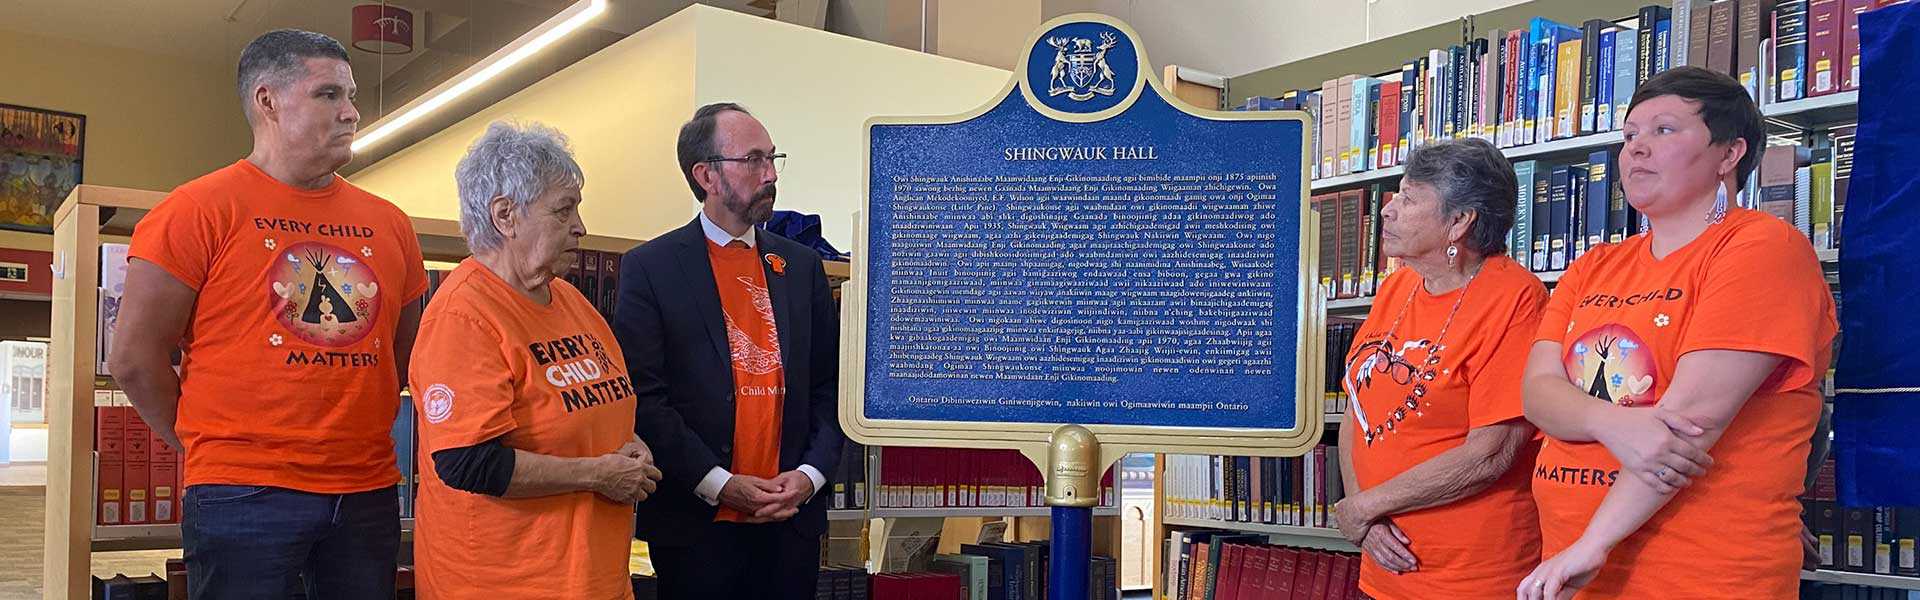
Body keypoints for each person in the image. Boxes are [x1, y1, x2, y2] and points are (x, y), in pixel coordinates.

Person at [109, 29, 426, 598]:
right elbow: (135, 358)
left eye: (351, 95)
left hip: (367, 488)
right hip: (242, 492)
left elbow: (398, 352)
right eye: (329, 95)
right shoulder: (196, 210)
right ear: (267, 101)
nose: (352, 112)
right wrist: (207, 443)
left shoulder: (391, 223)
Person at [1517, 66, 1837, 599]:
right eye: (1630, 135)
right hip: (1574, 566)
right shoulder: (1593, 265)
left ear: (1729, 154)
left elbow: (1690, 426)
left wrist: (1594, 543)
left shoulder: (1761, 249)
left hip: (1696, 572)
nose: (1636, 149)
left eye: (1663, 130)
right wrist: (1614, 424)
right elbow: (1537, 393)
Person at [408, 121, 662, 600]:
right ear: (506, 215)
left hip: (593, 580)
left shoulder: (571, 301)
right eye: (563, 210)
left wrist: (631, 444)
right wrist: (600, 473)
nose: (581, 227)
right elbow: (470, 463)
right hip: (503, 583)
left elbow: (588, 406)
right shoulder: (464, 316)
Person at [613, 102, 845, 600]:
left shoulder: (802, 267)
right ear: (707, 176)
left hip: (792, 524)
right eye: (754, 160)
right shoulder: (650, 269)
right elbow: (646, 400)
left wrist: (809, 476)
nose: (770, 174)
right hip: (697, 529)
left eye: (773, 158)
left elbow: (830, 388)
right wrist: (719, 482)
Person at [1330, 138, 1547, 599]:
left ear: (1459, 221)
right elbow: (1359, 408)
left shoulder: (1515, 299)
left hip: (1468, 577)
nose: (1387, 210)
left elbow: (1491, 454)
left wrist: (1364, 507)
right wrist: (1363, 516)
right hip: (1383, 566)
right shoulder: (1398, 286)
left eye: (1408, 198)